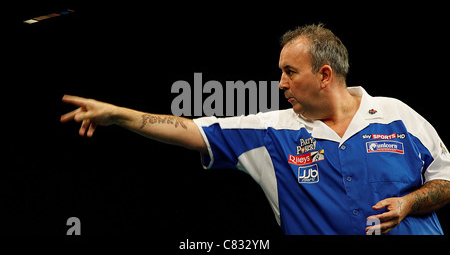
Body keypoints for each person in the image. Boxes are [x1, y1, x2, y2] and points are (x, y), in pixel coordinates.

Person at [60, 24, 450, 235]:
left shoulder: (397, 116)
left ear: (324, 75)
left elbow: (446, 182)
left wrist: (409, 204)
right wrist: (120, 115)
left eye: (289, 72)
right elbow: (188, 129)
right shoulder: (270, 131)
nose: (280, 83)